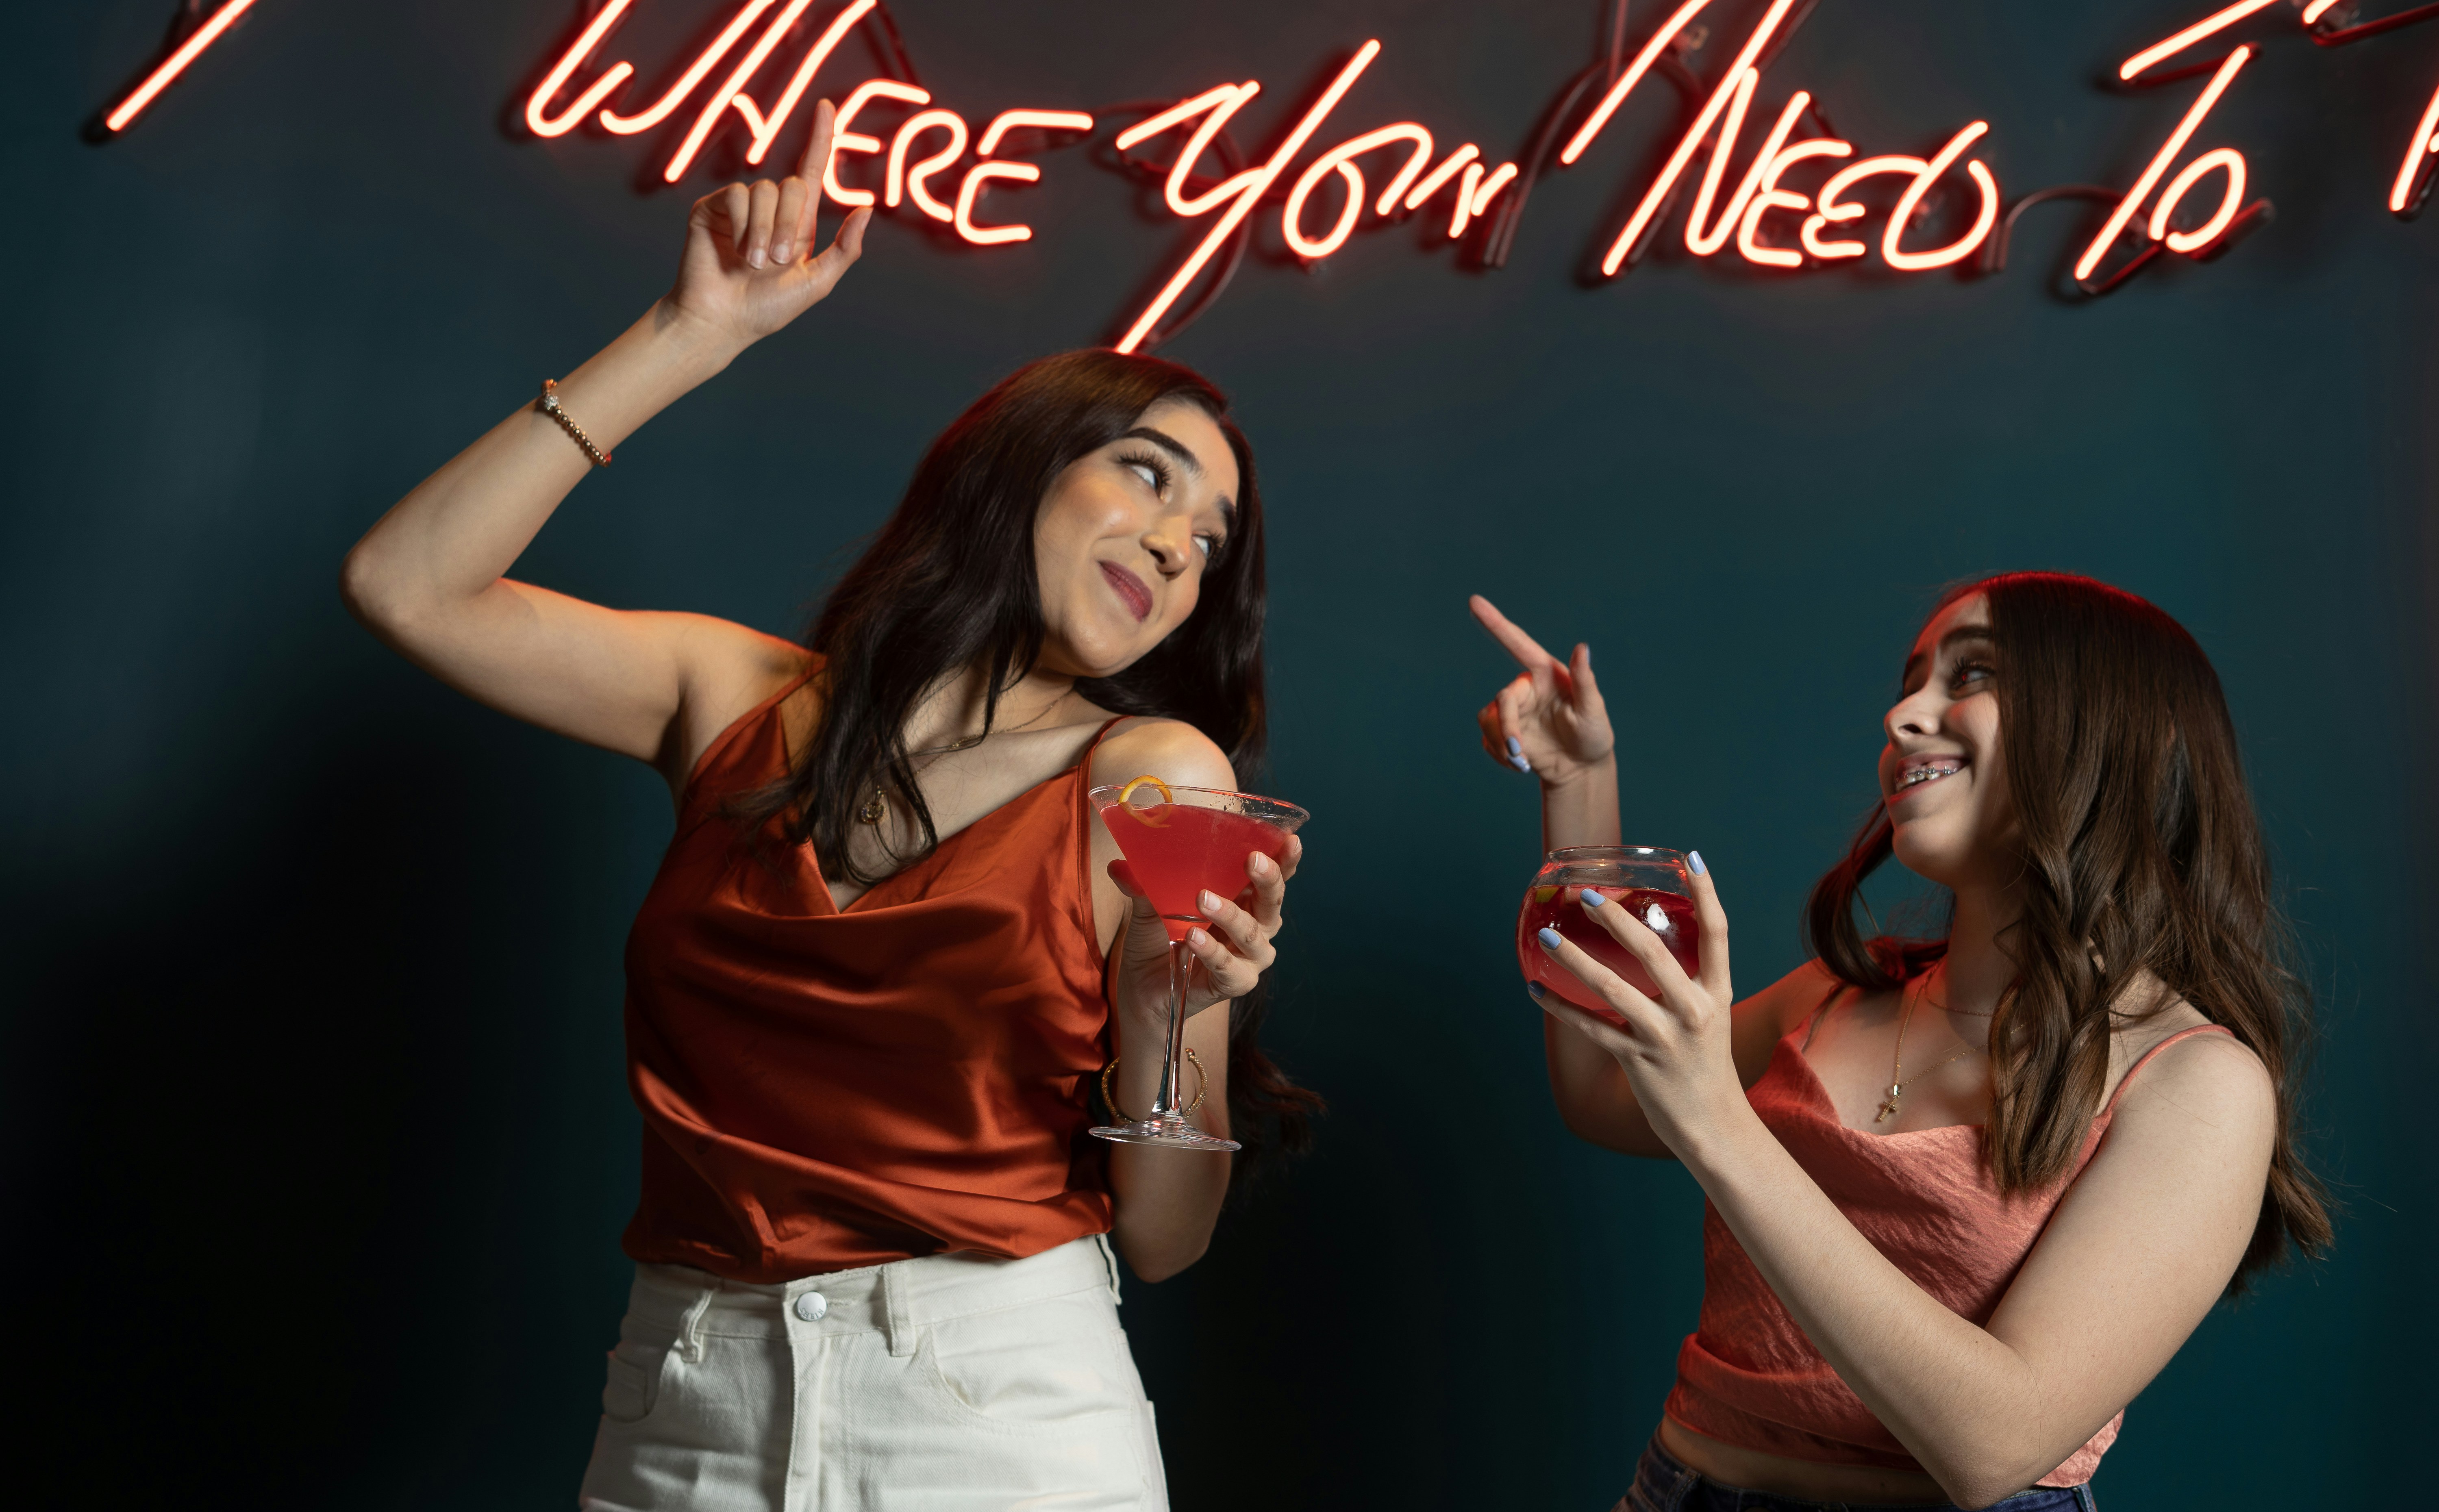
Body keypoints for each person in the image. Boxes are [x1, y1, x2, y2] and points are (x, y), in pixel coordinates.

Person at [341, 102, 1312, 1511]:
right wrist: (691, 336)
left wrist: (1170, 1014)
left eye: (1207, 545)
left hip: (994, 1415)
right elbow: (404, 585)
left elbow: (1165, 1242)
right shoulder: (730, 693)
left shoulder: (1152, 776)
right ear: (1023, 465)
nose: (1176, 544)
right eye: (1148, 477)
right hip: (682, 1399)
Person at [1470, 574, 2327, 1512]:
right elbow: (1600, 1091)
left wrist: (1720, 1123)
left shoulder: (2198, 1082)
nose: (1904, 712)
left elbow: (1994, 1444)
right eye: (1912, 679)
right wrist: (1580, 784)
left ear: (2108, 728)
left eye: (1974, 675)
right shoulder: (1841, 994)